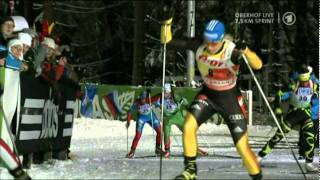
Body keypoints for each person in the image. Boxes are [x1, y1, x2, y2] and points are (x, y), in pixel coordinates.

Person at [161, 14, 263, 179]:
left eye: (214, 42)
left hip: (230, 100)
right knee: (188, 126)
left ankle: (258, 177)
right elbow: (168, 41)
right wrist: (166, 24)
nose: (209, 45)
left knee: (242, 147)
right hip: (208, 95)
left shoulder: (232, 51)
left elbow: (258, 65)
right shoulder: (199, 46)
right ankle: (190, 170)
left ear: (222, 39)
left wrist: (247, 51)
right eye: (207, 40)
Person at [258, 66, 318, 172]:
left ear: (309, 78)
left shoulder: (315, 86)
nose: (304, 84)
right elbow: (279, 94)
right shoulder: (293, 85)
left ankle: (309, 163)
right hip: (293, 116)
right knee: (277, 137)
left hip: (306, 116)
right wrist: (277, 109)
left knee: (310, 138)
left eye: (306, 81)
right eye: (302, 81)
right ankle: (259, 157)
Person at [0, 39, 31, 179]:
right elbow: (11, 63)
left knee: (7, 127)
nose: (19, 51)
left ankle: (7, 154)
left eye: (20, 48)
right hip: (4, 97)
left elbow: (25, 67)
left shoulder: (18, 61)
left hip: (11, 100)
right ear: (10, 48)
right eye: (16, 48)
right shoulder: (7, 58)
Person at [159, 83, 208, 158]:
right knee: (166, 133)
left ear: (170, 92)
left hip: (177, 116)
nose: (166, 95)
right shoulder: (160, 98)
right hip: (167, 119)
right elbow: (152, 102)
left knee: (187, 130)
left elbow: (184, 101)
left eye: (167, 93)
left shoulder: (175, 96)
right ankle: (167, 150)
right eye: (164, 93)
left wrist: (188, 107)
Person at [126, 89, 163, 158]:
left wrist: (161, 106)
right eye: (141, 98)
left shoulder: (150, 99)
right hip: (141, 119)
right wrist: (128, 121)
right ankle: (132, 151)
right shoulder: (137, 102)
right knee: (138, 135)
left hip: (151, 116)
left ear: (146, 98)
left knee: (160, 131)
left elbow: (159, 96)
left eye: (144, 99)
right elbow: (129, 112)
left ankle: (158, 148)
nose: (143, 100)